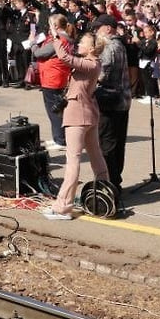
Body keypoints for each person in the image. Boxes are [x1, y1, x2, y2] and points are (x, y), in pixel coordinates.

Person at [42, 32, 110, 220]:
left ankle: (63, 206)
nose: (79, 43)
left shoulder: (90, 63)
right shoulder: (92, 63)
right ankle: (105, 194)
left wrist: (56, 38)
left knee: (73, 161)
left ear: (91, 48)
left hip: (78, 115)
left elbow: (64, 57)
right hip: (88, 114)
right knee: (96, 156)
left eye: (83, 42)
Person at [91, 15, 131, 201]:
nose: (95, 32)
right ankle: (115, 181)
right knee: (118, 143)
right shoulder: (120, 44)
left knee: (107, 145)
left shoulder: (109, 47)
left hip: (110, 102)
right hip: (122, 101)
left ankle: (109, 184)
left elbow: (102, 75)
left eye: (97, 28)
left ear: (107, 28)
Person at [32, 13, 73, 151]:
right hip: (55, 77)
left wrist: (33, 44)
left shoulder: (60, 39)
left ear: (55, 26)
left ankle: (60, 140)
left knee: (54, 110)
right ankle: (58, 137)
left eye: (50, 24)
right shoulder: (62, 38)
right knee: (55, 110)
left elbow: (39, 53)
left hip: (53, 78)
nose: (48, 27)